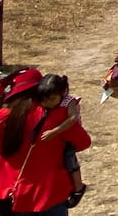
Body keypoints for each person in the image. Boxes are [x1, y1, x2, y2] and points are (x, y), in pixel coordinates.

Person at [0, 67, 92, 215]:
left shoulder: (3, 117)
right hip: (50, 195)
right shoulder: (58, 117)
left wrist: (1, 83)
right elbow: (84, 143)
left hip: (11, 196)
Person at [37, 76, 86, 208]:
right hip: (57, 138)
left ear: (62, 93)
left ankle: (78, 187)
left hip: (69, 137)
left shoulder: (69, 101)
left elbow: (73, 119)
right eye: (44, 100)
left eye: (52, 99)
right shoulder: (47, 102)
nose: (48, 103)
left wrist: (54, 131)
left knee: (69, 160)